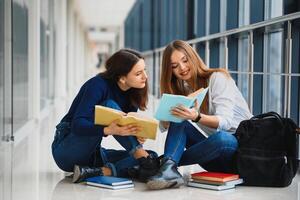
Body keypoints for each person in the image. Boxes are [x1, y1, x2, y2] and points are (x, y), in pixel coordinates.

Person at [147, 40, 253, 190]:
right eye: (174, 66)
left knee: (221, 138)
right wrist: (168, 117)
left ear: (193, 57)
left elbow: (226, 123)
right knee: (180, 120)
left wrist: (196, 116)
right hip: (214, 157)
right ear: (170, 71)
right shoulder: (184, 89)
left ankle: (161, 164)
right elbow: (163, 128)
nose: (182, 68)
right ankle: (168, 168)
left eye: (185, 60)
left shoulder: (218, 78)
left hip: (239, 151)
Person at [52, 49, 159, 183]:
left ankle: (98, 172)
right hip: (67, 151)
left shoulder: (133, 93)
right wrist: (108, 130)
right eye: (138, 73)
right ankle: (140, 156)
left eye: (145, 70)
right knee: (109, 105)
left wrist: (137, 134)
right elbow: (77, 125)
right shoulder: (97, 85)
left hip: (92, 155)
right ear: (122, 78)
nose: (145, 76)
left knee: (153, 156)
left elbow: (126, 127)